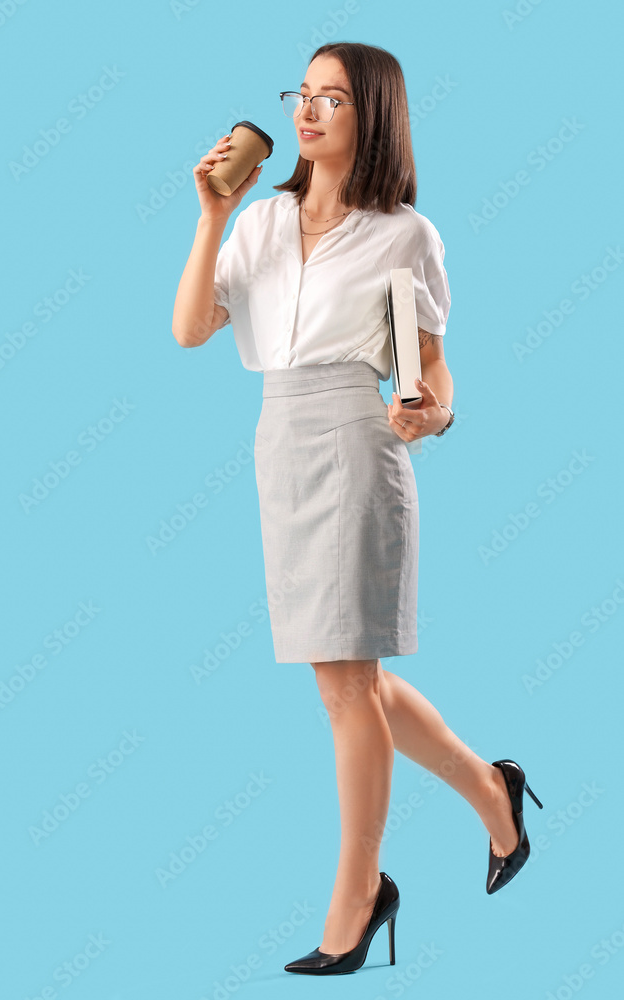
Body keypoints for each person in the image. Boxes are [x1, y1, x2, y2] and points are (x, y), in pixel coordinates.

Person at [172, 41, 543, 977]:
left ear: (370, 116)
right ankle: (494, 796)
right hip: (280, 446)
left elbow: (433, 365)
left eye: (333, 99)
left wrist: (434, 413)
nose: (308, 110)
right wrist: (211, 214)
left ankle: (358, 893)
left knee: (345, 686)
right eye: (303, 93)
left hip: (358, 443)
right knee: (353, 684)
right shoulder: (259, 221)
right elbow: (188, 330)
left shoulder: (403, 234)